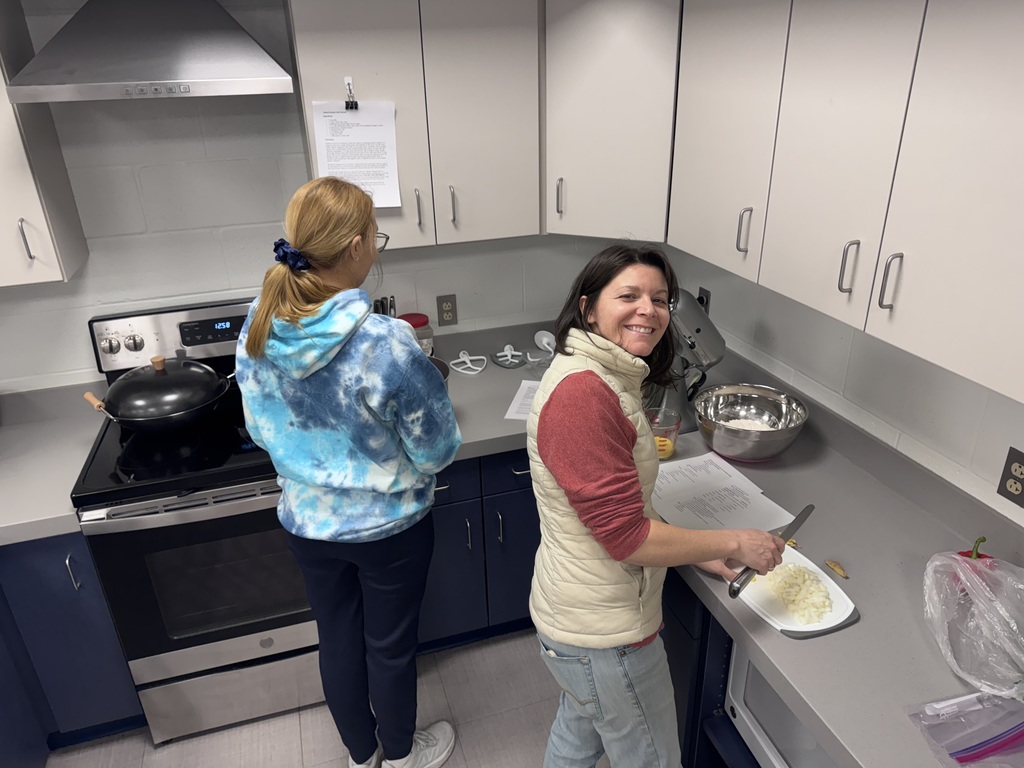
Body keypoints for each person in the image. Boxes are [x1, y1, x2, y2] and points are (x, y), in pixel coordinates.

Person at [527, 243, 785, 768]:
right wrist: (735, 540)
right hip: (607, 635)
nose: (649, 309)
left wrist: (694, 552)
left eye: (660, 298)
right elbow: (627, 537)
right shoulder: (584, 396)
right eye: (629, 295)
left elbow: (621, 510)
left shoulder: (603, 375)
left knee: (576, 740)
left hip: (577, 618)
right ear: (587, 307)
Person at [236, 177, 461, 768]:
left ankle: (362, 755)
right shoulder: (385, 342)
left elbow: (261, 432)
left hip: (307, 524)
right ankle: (403, 756)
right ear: (358, 245)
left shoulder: (257, 325)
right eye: (377, 240)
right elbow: (436, 451)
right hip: (389, 532)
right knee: (388, 649)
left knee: (336, 638)